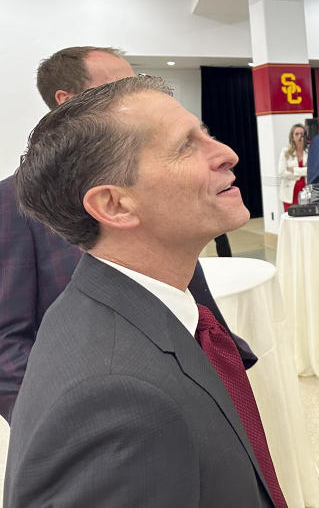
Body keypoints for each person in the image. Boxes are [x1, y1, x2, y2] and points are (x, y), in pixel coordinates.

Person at [5, 77, 283, 507]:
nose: (228, 153)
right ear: (115, 205)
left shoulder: (136, 309)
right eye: (186, 146)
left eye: (206, 134)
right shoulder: (117, 398)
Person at [0, 46, 253, 424]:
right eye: (120, 85)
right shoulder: (13, 203)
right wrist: (62, 424)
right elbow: (6, 338)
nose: (136, 94)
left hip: (195, 375)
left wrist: (216, 357)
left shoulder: (158, 184)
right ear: (67, 101)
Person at [278, 122, 308, 211]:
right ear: (292, 137)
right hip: (290, 191)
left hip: (306, 190)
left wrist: (294, 170)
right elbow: (282, 172)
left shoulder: (310, 150)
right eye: (296, 134)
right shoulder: (285, 151)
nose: (300, 136)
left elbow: (312, 171)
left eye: (302, 134)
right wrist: (302, 172)